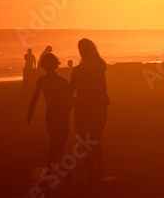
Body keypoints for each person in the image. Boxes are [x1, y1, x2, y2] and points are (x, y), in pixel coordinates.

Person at [27, 53, 75, 182]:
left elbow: (34, 99)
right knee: (59, 143)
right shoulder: (62, 80)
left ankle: (54, 168)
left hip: (52, 115)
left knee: (56, 142)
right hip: (62, 114)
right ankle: (59, 169)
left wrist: (30, 113)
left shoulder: (42, 81)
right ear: (56, 65)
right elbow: (71, 99)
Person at [70, 39, 110, 182]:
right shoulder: (100, 66)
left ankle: (91, 175)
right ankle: (99, 172)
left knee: (86, 143)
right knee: (95, 141)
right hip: (98, 108)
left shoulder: (78, 71)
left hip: (83, 109)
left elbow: (71, 91)